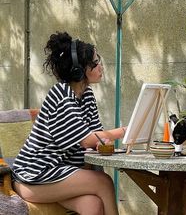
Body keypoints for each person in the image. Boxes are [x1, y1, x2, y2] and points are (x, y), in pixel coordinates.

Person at [12, 31, 126, 215]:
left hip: (59, 174)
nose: (100, 66)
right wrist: (124, 131)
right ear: (79, 70)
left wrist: (104, 141)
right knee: (103, 182)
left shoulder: (87, 95)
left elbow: (97, 138)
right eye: (95, 63)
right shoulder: (61, 95)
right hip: (33, 177)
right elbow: (87, 140)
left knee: (93, 205)